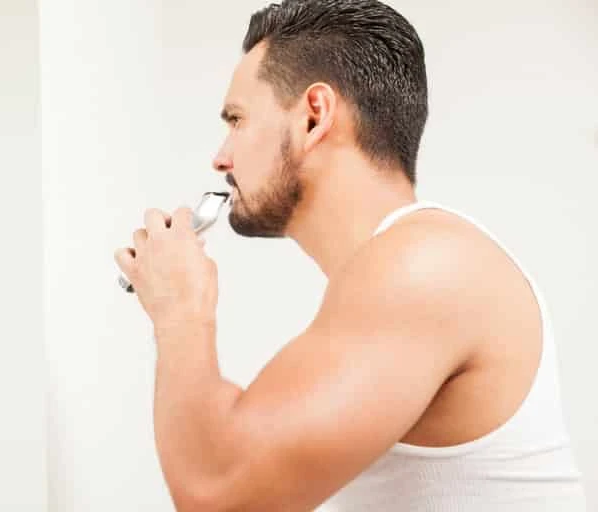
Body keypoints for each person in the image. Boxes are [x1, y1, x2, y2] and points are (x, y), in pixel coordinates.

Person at [113, 0, 587, 510]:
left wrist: (181, 308)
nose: (220, 156)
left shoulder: (425, 265)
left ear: (314, 116)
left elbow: (220, 492)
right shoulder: (401, 268)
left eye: (238, 120)